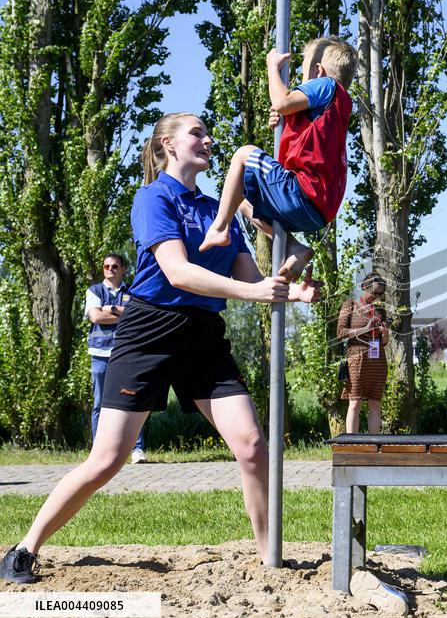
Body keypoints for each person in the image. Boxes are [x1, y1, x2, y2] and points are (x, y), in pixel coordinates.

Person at [1, 113, 321, 584]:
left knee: (253, 446)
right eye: (197, 132)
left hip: (204, 335)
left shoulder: (219, 209)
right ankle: (25, 548)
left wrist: (291, 291)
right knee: (108, 459)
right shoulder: (153, 198)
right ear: (169, 144)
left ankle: (269, 559)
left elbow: (251, 278)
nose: (208, 139)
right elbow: (178, 272)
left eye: (208, 132)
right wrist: (255, 292)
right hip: (149, 331)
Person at [200, 36, 357, 281]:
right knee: (240, 200)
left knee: (242, 154)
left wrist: (273, 68)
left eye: (302, 70)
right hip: (318, 210)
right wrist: (284, 120)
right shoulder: (338, 104)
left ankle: (219, 227)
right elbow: (309, 138)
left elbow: (282, 101)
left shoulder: (326, 85)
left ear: (317, 71)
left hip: (303, 192)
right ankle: (294, 247)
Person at [85, 253, 147, 464]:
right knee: (100, 403)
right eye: (106, 266)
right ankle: (98, 451)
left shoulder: (133, 291)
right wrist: (124, 314)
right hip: (100, 353)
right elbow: (95, 316)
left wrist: (110, 308)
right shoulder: (94, 291)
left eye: (114, 266)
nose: (110, 269)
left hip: (127, 351)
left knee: (132, 401)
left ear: (122, 269)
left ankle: (137, 449)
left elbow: (139, 317)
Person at [338, 273, 390, 434]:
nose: (376, 296)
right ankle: (352, 443)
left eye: (380, 293)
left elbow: (384, 342)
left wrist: (386, 334)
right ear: (363, 287)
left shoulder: (380, 310)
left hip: (377, 359)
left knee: (375, 404)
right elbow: (340, 332)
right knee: (355, 403)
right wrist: (365, 328)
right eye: (374, 292)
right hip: (357, 357)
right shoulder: (350, 305)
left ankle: (374, 443)